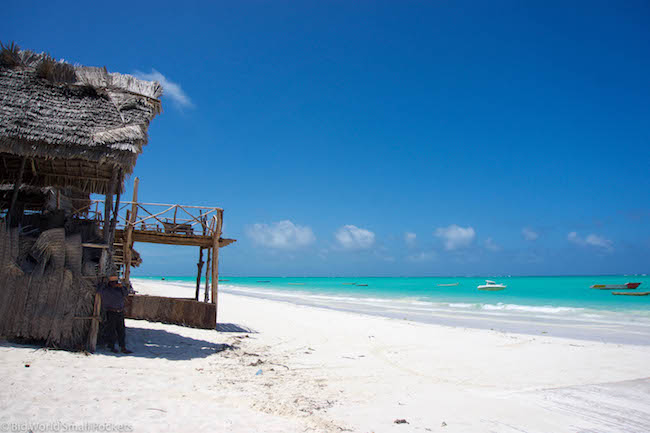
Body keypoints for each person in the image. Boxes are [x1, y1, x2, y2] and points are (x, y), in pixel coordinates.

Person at [98, 275, 133, 354]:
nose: (115, 284)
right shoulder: (106, 290)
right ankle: (112, 346)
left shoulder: (119, 290)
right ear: (110, 283)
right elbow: (99, 291)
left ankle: (123, 347)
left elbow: (126, 293)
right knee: (111, 330)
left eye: (116, 282)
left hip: (120, 312)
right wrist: (103, 283)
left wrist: (122, 286)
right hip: (111, 312)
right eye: (113, 282)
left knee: (121, 330)